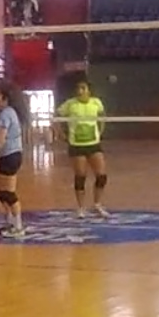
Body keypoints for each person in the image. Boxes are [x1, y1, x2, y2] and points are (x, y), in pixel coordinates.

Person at [56, 79, 108, 219]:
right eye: (78, 88)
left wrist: (101, 131)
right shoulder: (70, 104)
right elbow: (56, 117)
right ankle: (81, 208)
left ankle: (97, 204)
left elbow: (103, 117)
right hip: (77, 146)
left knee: (102, 175)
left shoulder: (96, 102)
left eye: (83, 88)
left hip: (94, 144)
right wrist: (61, 134)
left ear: (88, 90)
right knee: (81, 176)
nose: (80, 91)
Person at [0, 86, 25, 238]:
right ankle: (10, 219)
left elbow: (0, 139)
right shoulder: (9, 113)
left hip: (10, 156)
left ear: (4, 98)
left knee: (8, 192)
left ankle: (18, 226)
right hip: (10, 156)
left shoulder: (6, 114)